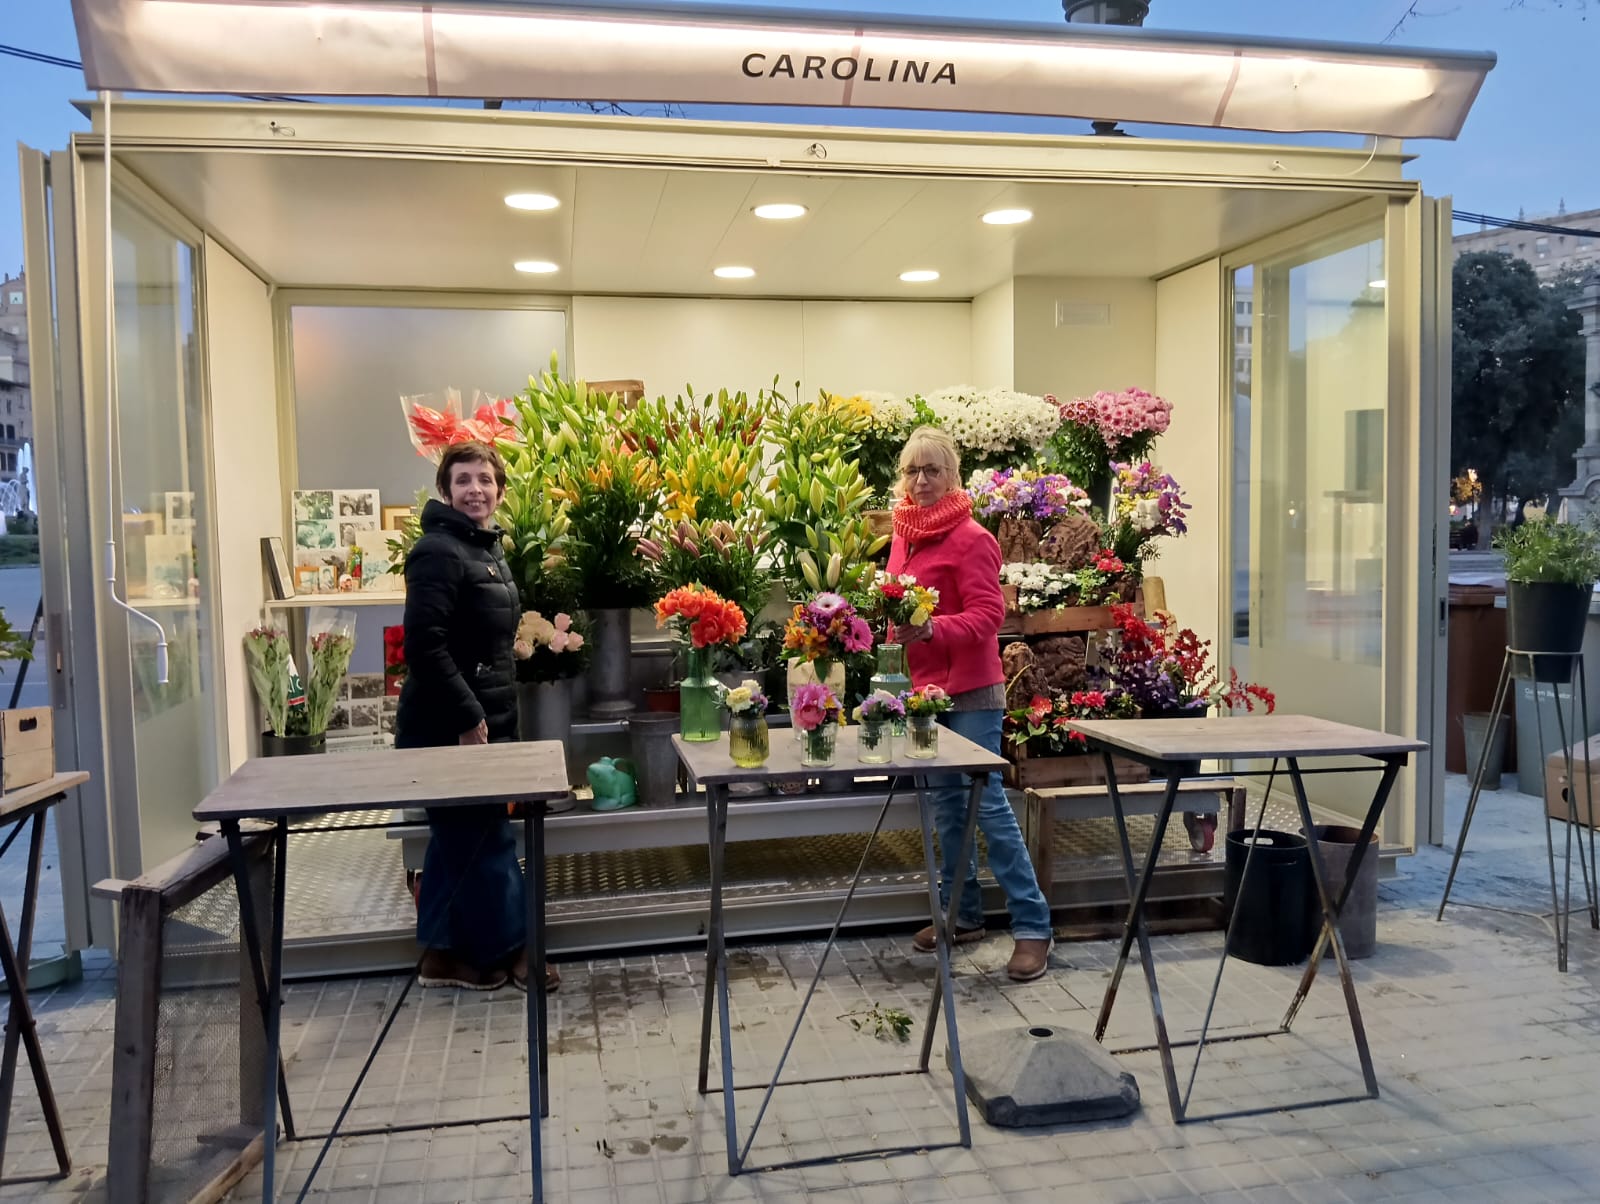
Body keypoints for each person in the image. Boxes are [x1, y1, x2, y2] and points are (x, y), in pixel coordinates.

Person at [885, 426, 1054, 982]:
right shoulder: (902, 537)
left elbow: (989, 616)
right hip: (924, 694)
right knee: (946, 811)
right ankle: (963, 917)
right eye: (913, 470)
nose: (922, 480)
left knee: (987, 807)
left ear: (954, 476)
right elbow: (897, 606)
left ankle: (1033, 928)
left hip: (973, 693)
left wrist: (931, 628)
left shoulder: (974, 537)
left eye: (933, 470)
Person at [397, 440, 555, 992]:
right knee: (488, 839)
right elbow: (424, 646)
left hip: (483, 716)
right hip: (449, 726)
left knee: (455, 839)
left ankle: (441, 958)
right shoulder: (438, 550)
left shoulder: (483, 549)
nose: (475, 490)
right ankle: (513, 952)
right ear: (446, 490)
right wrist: (468, 718)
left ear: (500, 490)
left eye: (485, 480)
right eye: (463, 480)